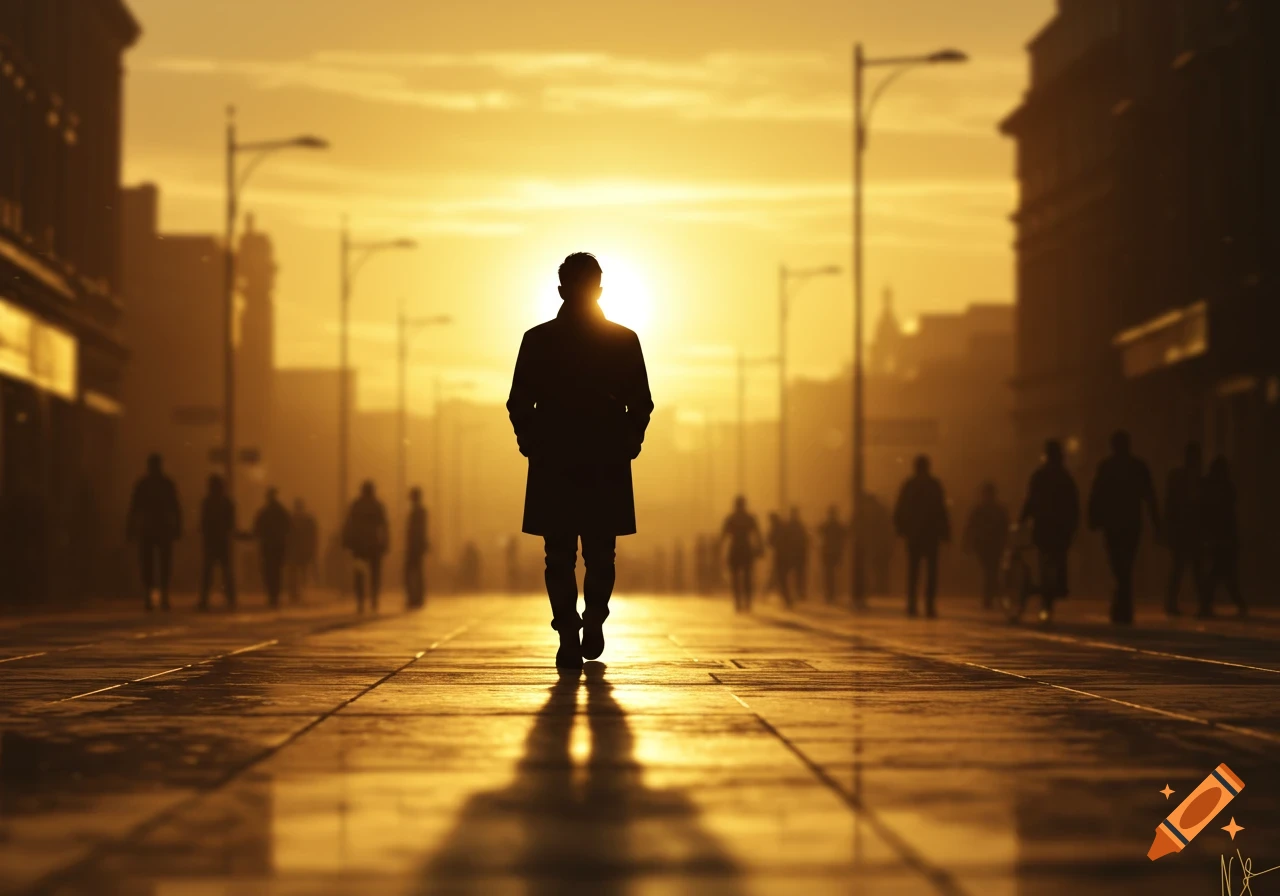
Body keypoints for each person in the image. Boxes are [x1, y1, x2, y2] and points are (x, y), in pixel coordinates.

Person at [506, 252, 654, 668]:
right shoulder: (623, 340)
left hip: (558, 460)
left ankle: (572, 629)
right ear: (599, 290)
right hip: (600, 460)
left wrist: (532, 440)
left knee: (560, 556)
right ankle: (587, 622)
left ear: (561, 290)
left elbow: (519, 404)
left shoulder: (538, 340)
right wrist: (628, 441)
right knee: (599, 554)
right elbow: (640, 404)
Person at [1087, 430, 1159, 624]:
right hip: (1130, 523)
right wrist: (1156, 523)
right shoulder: (1137, 467)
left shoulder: (1107, 467)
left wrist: (1093, 518)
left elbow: (1096, 494)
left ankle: (1122, 605)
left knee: (1119, 564)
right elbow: (1150, 497)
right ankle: (1123, 605)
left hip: (1114, 524)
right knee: (1125, 564)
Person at [1019, 440, 1080, 621]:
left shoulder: (1040, 475)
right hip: (1061, 528)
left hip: (1044, 528)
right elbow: (1074, 505)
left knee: (1045, 562)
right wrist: (1074, 525)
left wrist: (1021, 520)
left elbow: (1030, 501)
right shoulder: (1065, 476)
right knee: (1058, 559)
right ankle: (1056, 591)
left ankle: (1047, 598)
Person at [893, 455, 951, 618]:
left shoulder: (909, 485)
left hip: (915, 535)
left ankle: (912, 604)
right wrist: (945, 532)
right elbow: (942, 510)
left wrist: (901, 529)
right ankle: (929, 605)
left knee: (914, 571)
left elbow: (900, 509)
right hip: (931, 535)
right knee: (931, 571)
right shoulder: (934, 485)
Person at [125, 453, 182, 611]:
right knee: (155, 563)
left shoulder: (147, 484)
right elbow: (175, 507)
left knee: (154, 563)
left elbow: (134, 508)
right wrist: (177, 527)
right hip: (155, 529)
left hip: (154, 528)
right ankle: (156, 595)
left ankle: (156, 595)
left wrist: (130, 528)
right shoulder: (161, 484)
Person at [1199, 456, 1246, 618]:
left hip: (1223, 537)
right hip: (1222, 537)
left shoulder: (1219, 488)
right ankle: (1237, 603)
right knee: (1224, 573)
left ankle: (1207, 604)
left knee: (1220, 573)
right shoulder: (1222, 487)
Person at [1163, 442, 1204, 617]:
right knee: (1183, 567)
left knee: (1194, 568)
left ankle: (1202, 604)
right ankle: (1173, 602)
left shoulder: (1198, 479)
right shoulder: (1180, 477)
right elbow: (1171, 504)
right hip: (1183, 530)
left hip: (1192, 529)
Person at [343, 480, 390, 612]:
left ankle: (360, 600)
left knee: (359, 574)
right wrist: (385, 543)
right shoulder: (378, 506)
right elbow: (385, 526)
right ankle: (374, 598)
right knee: (375, 574)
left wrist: (346, 541)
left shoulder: (356, 505)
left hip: (359, 547)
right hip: (374, 546)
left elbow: (349, 524)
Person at [965, 482, 1011, 610]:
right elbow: (971, 527)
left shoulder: (982, 510)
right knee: (991, 570)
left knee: (990, 570)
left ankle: (989, 596)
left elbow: (970, 527)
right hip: (987, 545)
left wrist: (968, 543)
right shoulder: (992, 510)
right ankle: (991, 595)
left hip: (990, 545)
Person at [199, 474, 237, 610]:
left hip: (215, 541)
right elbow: (231, 523)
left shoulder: (210, 502)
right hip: (219, 541)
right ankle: (230, 599)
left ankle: (205, 599)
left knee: (212, 571)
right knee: (223, 571)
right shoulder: (225, 502)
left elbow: (203, 523)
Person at [721, 496, 763, 612]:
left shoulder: (731, 518)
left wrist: (719, 549)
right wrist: (760, 548)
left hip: (735, 549)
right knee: (747, 577)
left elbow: (723, 536)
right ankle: (747, 602)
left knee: (735, 578)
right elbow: (757, 534)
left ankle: (738, 602)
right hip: (746, 549)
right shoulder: (750, 518)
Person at [251, 488, 292, 609]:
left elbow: (257, 529)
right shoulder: (280, 511)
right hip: (277, 546)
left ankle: (272, 595)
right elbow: (289, 528)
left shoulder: (266, 512)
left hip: (269, 546)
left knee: (270, 571)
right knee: (276, 571)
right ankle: (274, 595)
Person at [861, 492, 894, 598]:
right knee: (881, 567)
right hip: (883, 544)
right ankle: (882, 587)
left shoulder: (872, 512)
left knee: (876, 566)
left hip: (877, 544)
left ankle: (879, 588)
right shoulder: (883, 510)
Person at [286, 498, 318, 602]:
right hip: (304, 550)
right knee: (302, 571)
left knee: (294, 571)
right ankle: (299, 591)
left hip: (294, 549)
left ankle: (295, 592)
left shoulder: (290, 519)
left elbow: (287, 535)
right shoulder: (308, 520)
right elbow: (313, 535)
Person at [817, 505, 848, 604]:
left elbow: (819, 530)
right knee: (833, 574)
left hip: (828, 552)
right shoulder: (838, 525)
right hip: (835, 552)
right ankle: (833, 594)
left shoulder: (827, 525)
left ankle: (830, 594)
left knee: (829, 574)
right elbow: (845, 534)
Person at [405, 487, 428, 608]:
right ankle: (417, 597)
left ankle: (414, 598)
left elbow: (416, 531)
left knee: (411, 572)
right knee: (417, 572)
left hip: (414, 547)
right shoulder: (421, 511)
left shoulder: (417, 512)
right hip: (418, 547)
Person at [765, 512, 790, 606]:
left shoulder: (775, 529)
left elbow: (769, 541)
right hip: (787, 555)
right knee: (782, 577)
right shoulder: (784, 527)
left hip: (779, 555)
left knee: (781, 577)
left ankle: (787, 599)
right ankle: (786, 598)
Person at [787, 508, 810, 601]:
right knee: (799, 574)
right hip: (797, 553)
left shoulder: (790, 526)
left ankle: (798, 592)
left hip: (794, 553)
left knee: (796, 574)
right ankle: (799, 592)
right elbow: (805, 539)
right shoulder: (800, 526)